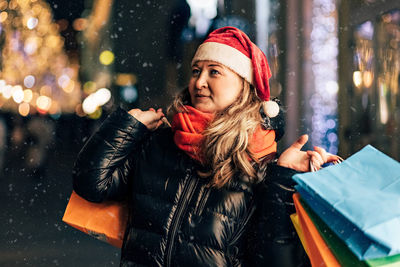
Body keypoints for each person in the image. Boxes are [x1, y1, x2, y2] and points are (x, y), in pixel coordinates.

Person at [72, 27, 338, 266]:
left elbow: (276, 261)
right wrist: (127, 126)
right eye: (196, 71)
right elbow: (91, 184)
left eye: (215, 72)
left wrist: (284, 178)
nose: (199, 82)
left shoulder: (260, 162)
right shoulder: (162, 142)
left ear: (244, 87)